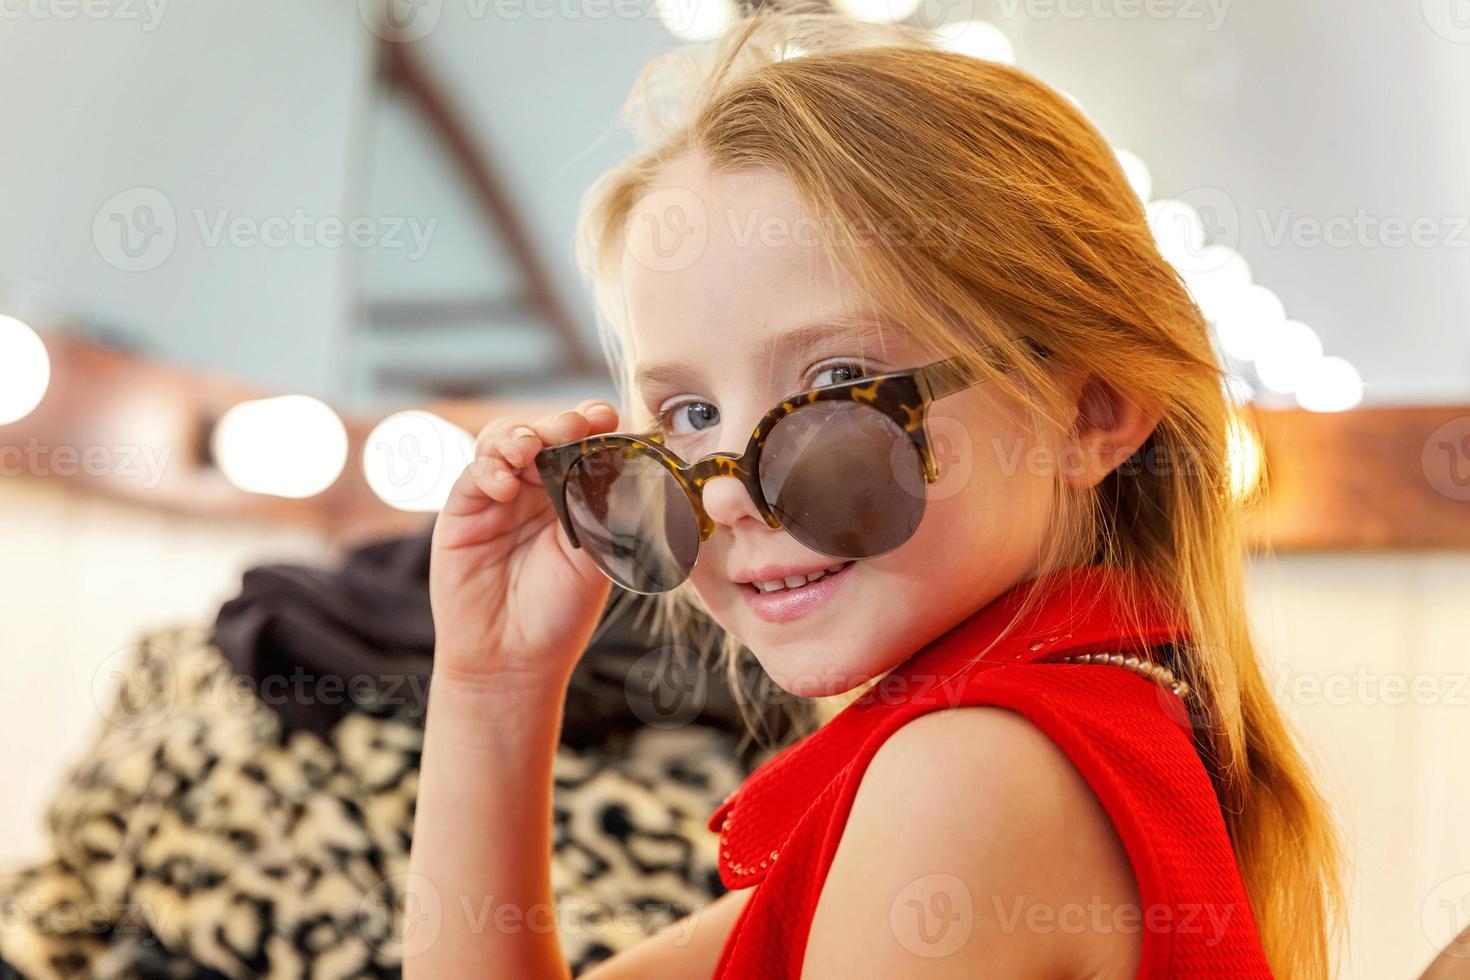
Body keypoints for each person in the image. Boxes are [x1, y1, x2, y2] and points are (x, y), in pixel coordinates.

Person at [406, 8, 1343, 977]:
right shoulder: (1040, 740)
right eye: (688, 413)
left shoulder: (970, 776)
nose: (729, 497)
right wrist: (492, 687)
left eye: (835, 384)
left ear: (1090, 411)